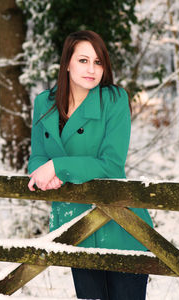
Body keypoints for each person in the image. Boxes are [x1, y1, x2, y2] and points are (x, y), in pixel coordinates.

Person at [28, 30, 153, 300]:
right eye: (83, 60)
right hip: (74, 223)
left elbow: (111, 165)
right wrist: (42, 174)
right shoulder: (44, 103)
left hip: (122, 227)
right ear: (67, 64)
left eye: (98, 62)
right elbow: (37, 156)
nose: (92, 69)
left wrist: (58, 168)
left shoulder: (114, 100)